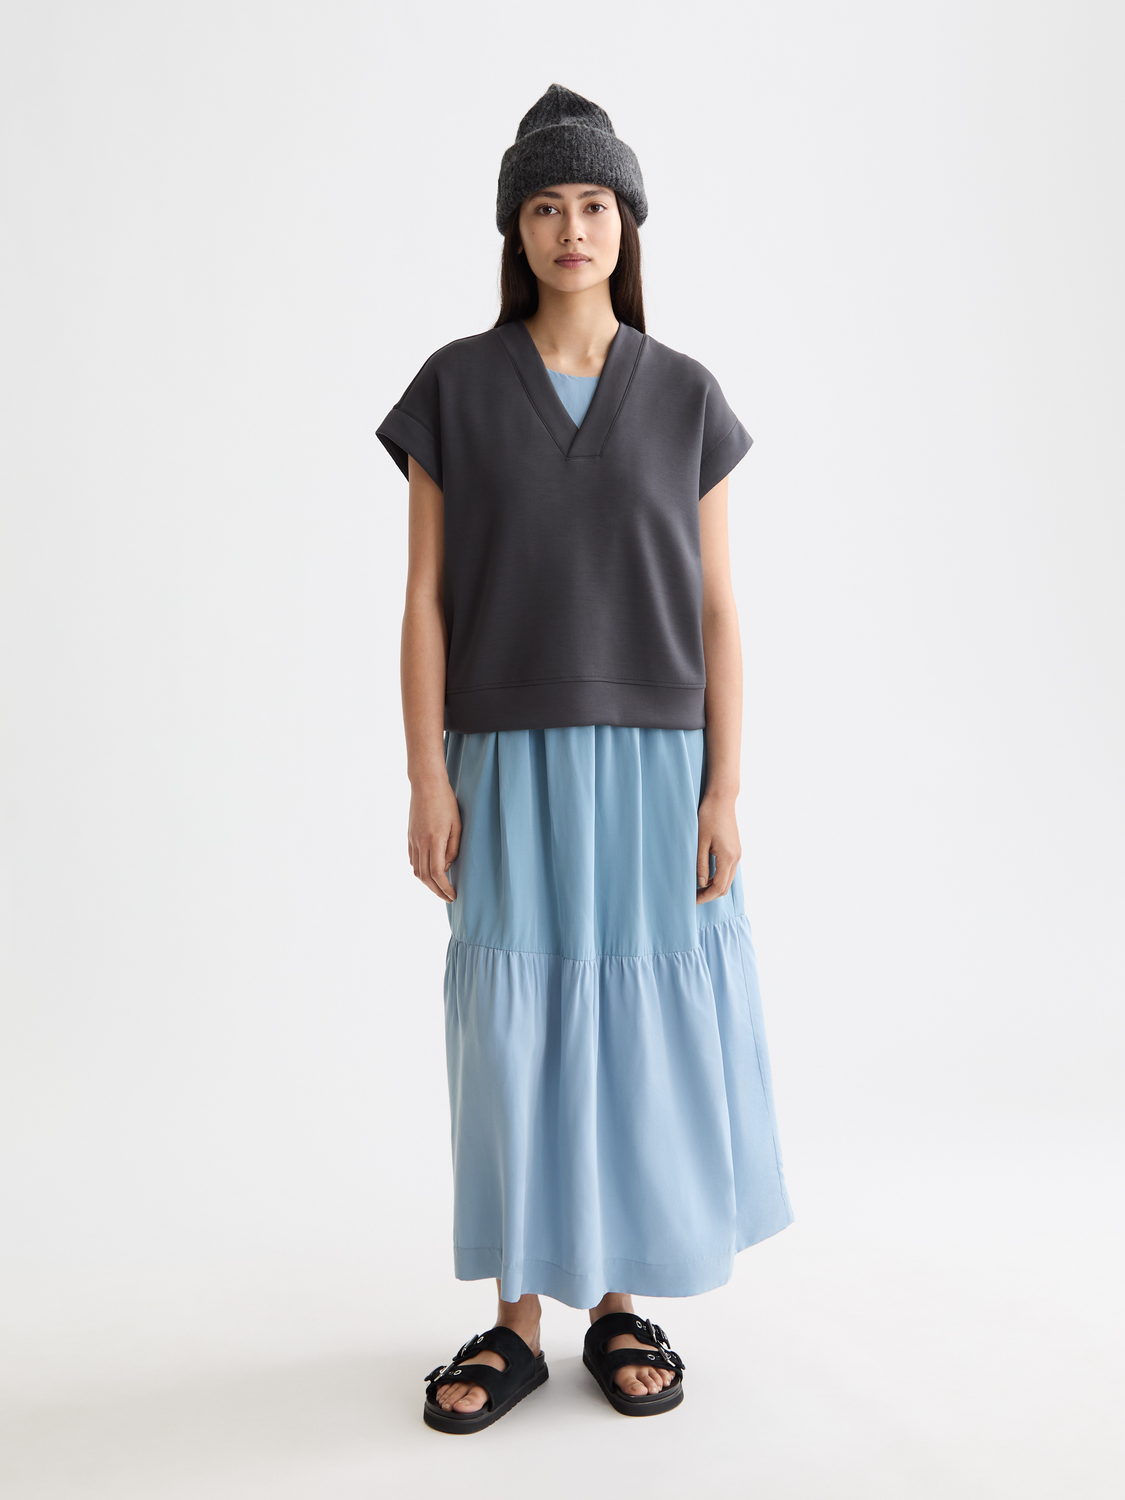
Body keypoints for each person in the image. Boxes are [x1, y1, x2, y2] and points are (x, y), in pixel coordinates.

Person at [377, 83, 793, 1434]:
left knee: (629, 1024)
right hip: (504, 755)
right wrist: (427, 773)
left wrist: (724, 788)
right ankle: (516, 1320)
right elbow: (424, 598)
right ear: (516, 227)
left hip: (657, 764)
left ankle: (617, 1305)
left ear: (628, 223)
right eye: (548, 206)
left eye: (595, 203)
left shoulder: (684, 397)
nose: (572, 228)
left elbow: (720, 608)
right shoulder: (455, 388)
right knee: (517, 1027)